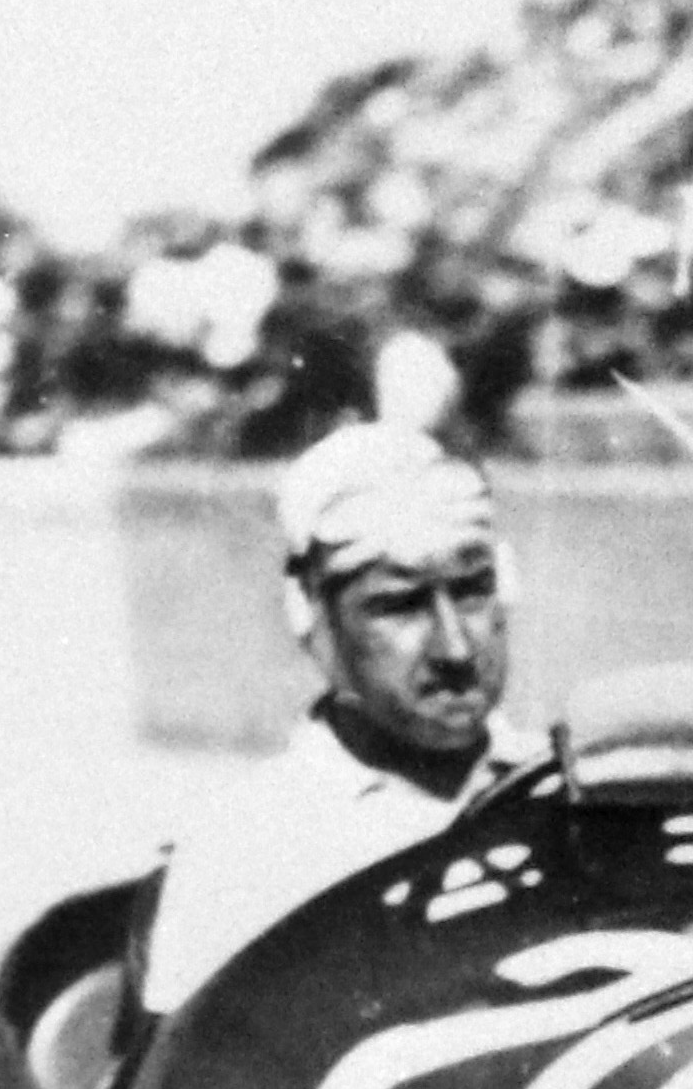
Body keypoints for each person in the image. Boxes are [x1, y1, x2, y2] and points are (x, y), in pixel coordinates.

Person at [132, 419, 520, 1015]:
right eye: (399, 604)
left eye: (472, 589)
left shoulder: (576, 786)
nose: (455, 648)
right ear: (311, 617)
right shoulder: (244, 848)